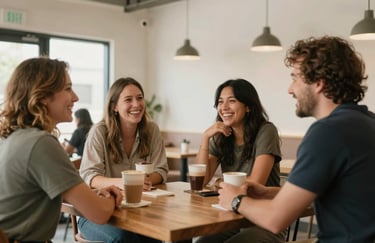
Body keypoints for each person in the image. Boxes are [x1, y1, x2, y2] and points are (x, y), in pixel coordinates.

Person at [218, 36, 375, 243]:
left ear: (319, 83)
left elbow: (276, 220)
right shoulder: (366, 122)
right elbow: (337, 195)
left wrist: (235, 200)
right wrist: (268, 193)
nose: (290, 89)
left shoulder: (327, 133)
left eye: (295, 78)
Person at [0, 57, 122, 242]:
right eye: (67, 88)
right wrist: (112, 196)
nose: (76, 97)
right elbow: (99, 214)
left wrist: (89, 196)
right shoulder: (40, 143)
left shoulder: (12, 139)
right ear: (41, 96)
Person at [78, 77, 168, 243]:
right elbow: (89, 176)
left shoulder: (152, 130)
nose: (136, 104)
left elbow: (161, 171)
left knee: (156, 235)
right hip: (95, 212)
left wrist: (143, 181)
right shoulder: (99, 132)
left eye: (140, 98)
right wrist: (125, 182)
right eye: (128, 99)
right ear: (114, 107)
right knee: (125, 239)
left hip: (138, 211)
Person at [195, 79, 285, 243]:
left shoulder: (266, 131)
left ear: (248, 106)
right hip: (232, 218)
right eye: (220, 102)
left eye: (232, 101)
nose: (224, 107)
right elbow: (201, 181)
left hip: (265, 221)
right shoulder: (222, 136)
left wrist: (221, 183)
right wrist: (205, 138)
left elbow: (256, 182)